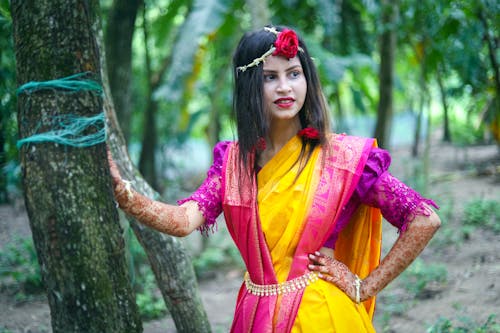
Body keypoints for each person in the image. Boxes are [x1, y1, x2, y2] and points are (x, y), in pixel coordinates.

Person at [109, 25, 441, 333]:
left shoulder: (343, 159)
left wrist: (364, 286)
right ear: (250, 85)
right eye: (270, 77)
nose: (285, 87)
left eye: (294, 74)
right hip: (254, 315)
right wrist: (126, 195)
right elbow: (183, 221)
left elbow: (424, 220)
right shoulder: (234, 163)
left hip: (321, 316)